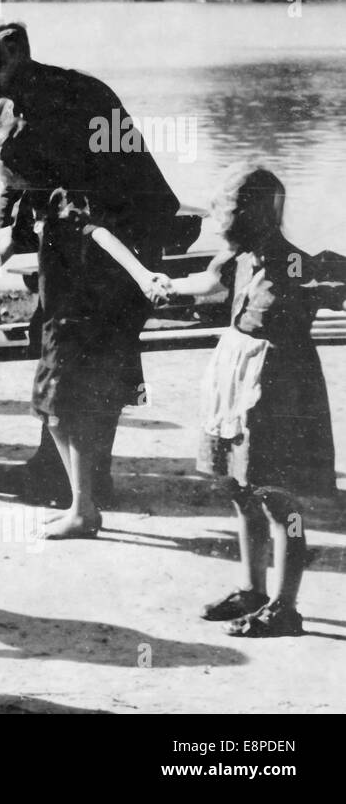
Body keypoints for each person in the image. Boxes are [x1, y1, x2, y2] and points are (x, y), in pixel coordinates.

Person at [0, 20, 180, 508]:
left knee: (95, 351)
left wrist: (17, 236)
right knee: (60, 345)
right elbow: (17, 179)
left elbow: (88, 190)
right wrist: (2, 234)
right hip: (73, 234)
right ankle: (59, 470)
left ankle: (86, 481)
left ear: (20, 54)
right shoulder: (8, 101)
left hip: (117, 235)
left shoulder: (73, 96)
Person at [160, 165, 345, 636]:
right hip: (236, 379)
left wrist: (329, 285)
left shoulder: (295, 262)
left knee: (279, 499)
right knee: (240, 489)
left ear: (260, 212)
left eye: (229, 209)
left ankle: (286, 607)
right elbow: (208, 283)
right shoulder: (237, 258)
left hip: (281, 388)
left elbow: (331, 283)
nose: (221, 218)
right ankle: (252, 590)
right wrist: (166, 286)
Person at [0, 188, 165, 537]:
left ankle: (83, 509)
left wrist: (143, 275)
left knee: (68, 412)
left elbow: (102, 236)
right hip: (55, 324)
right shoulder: (34, 200)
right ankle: (81, 503)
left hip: (74, 323)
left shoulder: (66, 201)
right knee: (50, 413)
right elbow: (7, 243)